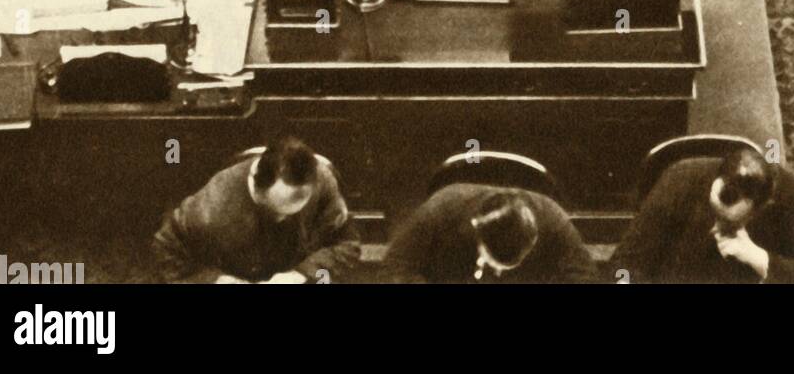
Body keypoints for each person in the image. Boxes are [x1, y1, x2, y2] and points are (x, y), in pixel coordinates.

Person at [153, 136, 360, 284]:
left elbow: (348, 244)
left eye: (295, 212)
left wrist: (303, 274)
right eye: (275, 212)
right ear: (255, 185)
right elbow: (165, 252)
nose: (283, 220)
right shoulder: (210, 210)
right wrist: (214, 280)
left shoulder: (322, 180)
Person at [610, 146, 794, 284]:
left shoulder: (787, 195)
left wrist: (758, 258)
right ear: (715, 180)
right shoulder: (680, 179)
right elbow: (623, 265)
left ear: (761, 208)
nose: (714, 229)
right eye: (714, 213)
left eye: (729, 223)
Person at [381, 185, 596, 285]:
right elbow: (395, 267)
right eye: (493, 264)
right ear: (478, 234)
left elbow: (584, 277)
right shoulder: (441, 211)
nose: (499, 275)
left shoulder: (553, 220)